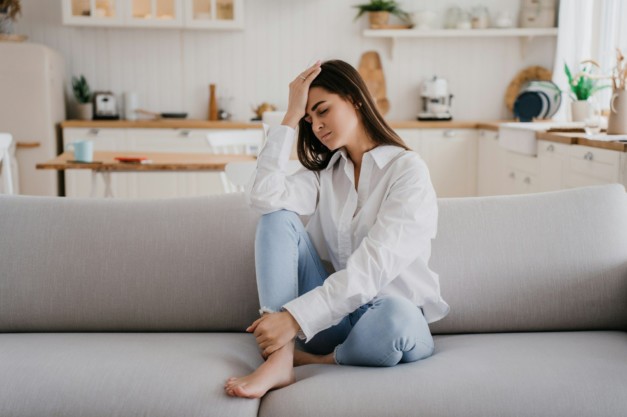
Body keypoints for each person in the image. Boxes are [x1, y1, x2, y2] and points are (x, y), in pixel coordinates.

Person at [224, 59, 450, 399]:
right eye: (308, 118)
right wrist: (289, 116)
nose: (315, 125)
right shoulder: (325, 174)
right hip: (334, 320)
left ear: (354, 98)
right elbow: (263, 198)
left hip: (386, 321)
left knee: (396, 318)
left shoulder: (407, 171)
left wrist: (295, 319)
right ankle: (281, 359)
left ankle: (321, 360)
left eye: (322, 110)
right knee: (277, 217)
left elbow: (373, 267)